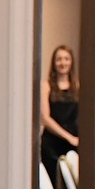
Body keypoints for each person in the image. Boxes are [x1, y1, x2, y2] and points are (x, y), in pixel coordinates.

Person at [40, 44, 80, 179]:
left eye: (66, 59)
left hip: (74, 141)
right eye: (59, 59)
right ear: (54, 63)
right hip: (52, 142)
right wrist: (68, 137)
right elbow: (44, 118)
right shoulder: (46, 86)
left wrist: (74, 139)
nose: (63, 63)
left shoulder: (77, 86)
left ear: (71, 62)